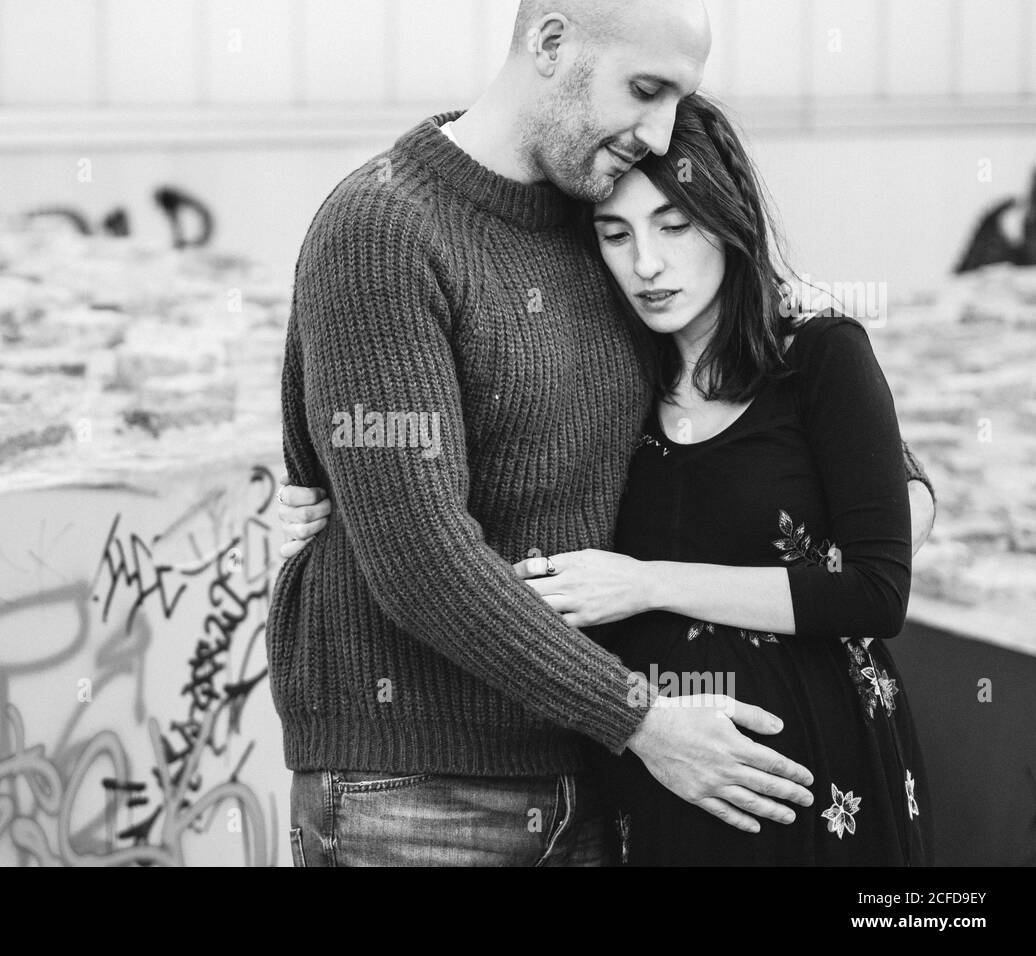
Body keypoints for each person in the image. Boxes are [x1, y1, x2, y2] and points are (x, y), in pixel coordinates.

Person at [270, 0, 936, 867]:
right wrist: (639, 717)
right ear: (551, 42)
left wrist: (896, 482)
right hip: (420, 791)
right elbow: (419, 555)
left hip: (600, 777)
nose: (660, 135)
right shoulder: (383, 230)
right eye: (645, 90)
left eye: (677, 102)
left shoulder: (594, 213)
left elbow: (752, 346)